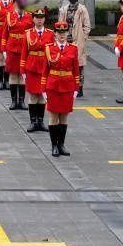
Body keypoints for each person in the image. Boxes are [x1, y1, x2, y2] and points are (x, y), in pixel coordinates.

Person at [43, 22, 79, 157]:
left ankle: (61, 144)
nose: (62, 35)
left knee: (64, 117)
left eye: (64, 32)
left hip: (67, 87)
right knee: (53, 117)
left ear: (67, 33)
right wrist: (43, 89)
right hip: (52, 86)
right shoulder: (49, 48)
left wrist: (76, 88)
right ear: (55, 34)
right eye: (59, 32)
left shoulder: (73, 49)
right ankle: (54, 146)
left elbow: (76, 70)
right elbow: (44, 71)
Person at [20, 9, 53, 133]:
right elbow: (24, 53)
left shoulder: (50, 34)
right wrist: (23, 71)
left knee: (42, 96)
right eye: (37, 17)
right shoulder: (28, 34)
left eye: (42, 17)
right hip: (32, 68)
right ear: (33, 19)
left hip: (44, 68)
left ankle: (40, 121)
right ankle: (33, 121)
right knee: (33, 96)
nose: (39, 20)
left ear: (44, 19)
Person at [59, 0, 91, 97]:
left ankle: (79, 88)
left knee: (79, 65)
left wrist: (83, 37)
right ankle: (68, 86)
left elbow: (87, 26)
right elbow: (60, 25)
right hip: (66, 41)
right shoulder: (64, 9)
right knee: (67, 64)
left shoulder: (82, 9)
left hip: (78, 40)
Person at [4, 1, 33, 111]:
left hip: (24, 49)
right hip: (12, 48)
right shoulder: (9, 16)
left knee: (22, 75)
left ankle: (21, 101)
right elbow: (4, 33)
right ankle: (13, 101)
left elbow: (32, 33)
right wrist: (4, 49)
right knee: (12, 75)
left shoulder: (30, 17)